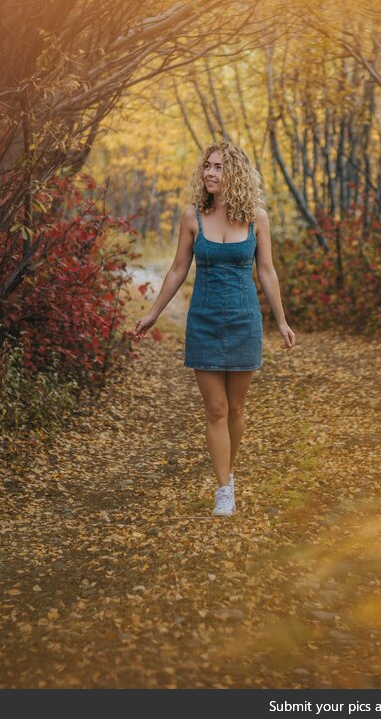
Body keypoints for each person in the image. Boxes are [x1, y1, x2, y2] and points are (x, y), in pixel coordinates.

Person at [134, 141, 295, 516]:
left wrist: (282, 321)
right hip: (204, 320)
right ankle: (224, 489)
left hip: (244, 320)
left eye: (219, 167)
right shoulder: (192, 216)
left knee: (237, 409)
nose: (210, 172)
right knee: (216, 409)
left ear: (234, 173)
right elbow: (177, 269)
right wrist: (154, 313)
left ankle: (229, 472)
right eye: (207, 166)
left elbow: (267, 272)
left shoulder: (256, 218)